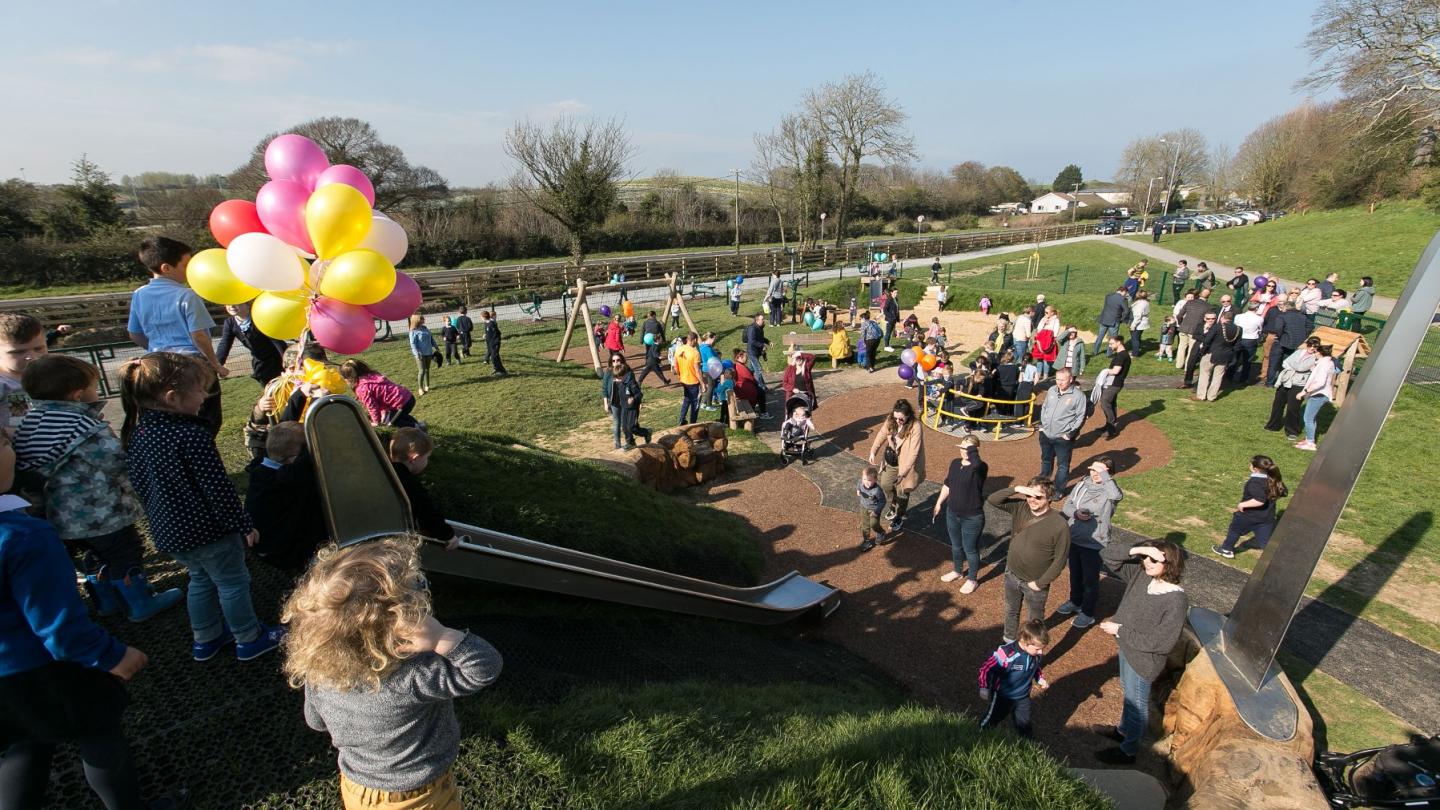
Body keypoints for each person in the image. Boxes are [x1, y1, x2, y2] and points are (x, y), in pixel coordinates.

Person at [283, 535, 502, 810]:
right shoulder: (413, 675)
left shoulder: (319, 672)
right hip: (422, 796)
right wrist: (441, 638)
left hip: (358, 789)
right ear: (398, 623)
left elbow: (315, 721)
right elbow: (485, 667)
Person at [0, 506, 177, 810]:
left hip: (6, 679)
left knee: (24, 745)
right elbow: (59, 626)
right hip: (47, 669)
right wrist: (111, 655)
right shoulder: (23, 535)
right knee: (100, 736)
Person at [121, 352, 285, 662]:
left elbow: (141, 484)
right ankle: (249, 637)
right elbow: (218, 489)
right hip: (209, 532)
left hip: (170, 533)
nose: (206, 396)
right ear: (172, 397)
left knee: (200, 579)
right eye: (199, 390)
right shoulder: (191, 435)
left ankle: (206, 637)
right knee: (232, 582)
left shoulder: (139, 432)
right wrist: (242, 523)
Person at [14, 355, 182, 622]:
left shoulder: (28, 424)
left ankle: (106, 602)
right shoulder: (83, 425)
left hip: (60, 515)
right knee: (124, 555)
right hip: (103, 513)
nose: (97, 391)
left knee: (93, 556)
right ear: (78, 395)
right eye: (94, 386)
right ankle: (140, 603)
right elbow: (114, 462)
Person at [1095, 540, 1188, 765]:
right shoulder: (1143, 575)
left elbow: (1161, 643)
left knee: (1136, 704)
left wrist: (1120, 630)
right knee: (1128, 692)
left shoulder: (1176, 600)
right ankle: (1123, 730)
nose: (1147, 562)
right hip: (1127, 649)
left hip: (1144, 660)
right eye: (1145, 558)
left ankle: (1128, 751)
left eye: (1154, 559)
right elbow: (1107, 555)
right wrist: (1138, 550)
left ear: (1170, 563)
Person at [127, 236, 227, 435]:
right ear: (166, 268)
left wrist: (157, 349)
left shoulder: (139, 294)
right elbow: (199, 336)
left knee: (171, 421)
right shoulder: (187, 295)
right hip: (192, 364)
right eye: (186, 265)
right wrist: (215, 364)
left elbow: (134, 333)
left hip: (157, 364)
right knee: (206, 420)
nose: (190, 270)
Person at [986, 479, 1070, 643]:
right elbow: (992, 499)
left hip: (1035, 583)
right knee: (1011, 610)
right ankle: (1009, 641)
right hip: (1011, 574)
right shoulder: (1020, 507)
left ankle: (1032, 650)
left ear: (1049, 498)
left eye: (1038, 497)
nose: (1032, 500)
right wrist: (1017, 488)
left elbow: (1060, 560)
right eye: (1029, 495)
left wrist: (1040, 583)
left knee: (1035, 621)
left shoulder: (1059, 525)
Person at [245, 422, 327, 572]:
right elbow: (311, 453)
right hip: (281, 551)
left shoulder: (262, 466)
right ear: (293, 458)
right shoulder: (288, 478)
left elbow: (283, 434)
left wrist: (299, 397)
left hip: (264, 544)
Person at [1057, 459, 1122, 629]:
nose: (1095, 473)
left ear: (1109, 472)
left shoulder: (1110, 489)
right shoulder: (1082, 485)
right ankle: (1075, 601)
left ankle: (1087, 613)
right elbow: (1066, 506)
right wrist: (1076, 513)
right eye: (1093, 469)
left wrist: (1105, 476)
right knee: (1075, 574)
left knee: (1090, 580)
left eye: (1100, 470)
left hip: (1095, 542)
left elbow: (1116, 496)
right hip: (1075, 537)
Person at [932, 435, 987, 593]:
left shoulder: (980, 467)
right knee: (956, 546)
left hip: (972, 517)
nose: (963, 451)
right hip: (952, 513)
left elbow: (976, 463)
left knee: (970, 549)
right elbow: (948, 484)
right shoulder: (955, 463)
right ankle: (957, 571)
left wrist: (972, 451)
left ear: (975, 450)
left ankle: (972, 579)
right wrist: (939, 503)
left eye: (967, 448)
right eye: (962, 447)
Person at [977, 619, 1050, 739]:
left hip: (1023, 697)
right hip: (1003, 696)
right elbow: (986, 668)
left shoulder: (1035, 655)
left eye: (1042, 649)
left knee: (1024, 724)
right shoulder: (1006, 654)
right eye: (1037, 649)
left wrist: (1040, 679)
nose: (1041, 652)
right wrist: (984, 687)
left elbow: (1035, 668)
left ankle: (1026, 745)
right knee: (993, 718)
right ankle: (978, 735)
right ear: (1025, 642)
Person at [389, 428, 460, 547]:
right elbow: (426, 512)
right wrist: (448, 535)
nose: (427, 461)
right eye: (427, 457)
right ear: (415, 458)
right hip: (397, 539)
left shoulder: (384, 472)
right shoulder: (410, 483)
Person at [866, 399, 925, 539]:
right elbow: (881, 433)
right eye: (895, 417)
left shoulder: (915, 426)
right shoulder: (891, 419)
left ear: (908, 415)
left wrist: (903, 473)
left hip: (906, 464)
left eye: (901, 418)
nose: (898, 420)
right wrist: (873, 451)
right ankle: (893, 504)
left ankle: (899, 515)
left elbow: (914, 452)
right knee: (886, 484)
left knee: (903, 491)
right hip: (891, 460)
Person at [1212, 455, 1288, 559]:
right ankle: (1277, 558)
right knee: (1265, 541)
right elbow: (1284, 493)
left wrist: (1242, 504)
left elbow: (1259, 500)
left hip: (1247, 516)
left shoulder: (1255, 483)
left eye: (1251, 464)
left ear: (1255, 469)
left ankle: (1226, 549)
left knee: (1234, 530)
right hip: (1267, 518)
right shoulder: (1273, 479)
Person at [216, 302, 287, 387]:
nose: (231, 306)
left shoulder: (259, 318)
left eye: (236, 303)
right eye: (228, 303)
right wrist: (217, 365)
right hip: (260, 363)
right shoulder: (230, 323)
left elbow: (276, 341)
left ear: (247, 304)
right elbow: (224, 344)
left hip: (277, 360)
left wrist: (287, 362)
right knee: (269, 391)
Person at [1037, 368, 1086, 492]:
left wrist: (1070, 434)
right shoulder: (1052, 390)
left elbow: (1080, 417)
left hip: (1063, 437)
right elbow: (1044, 407)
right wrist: (1042, 425)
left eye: (1062, 380)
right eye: (1057, 379)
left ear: (1070, 379)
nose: (1059, 382)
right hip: (1046, 434)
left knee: (1063, 466)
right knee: (1046, 460)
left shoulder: (1078, 396)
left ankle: (1058, 491)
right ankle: (1043, 486)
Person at [0, 313, 49, 436]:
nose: (31, 357)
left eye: (39, 349)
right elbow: (20, 423)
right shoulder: (5, 385)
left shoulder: (52, 374)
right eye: (18, 352)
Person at [1265, 337, 1321, 441]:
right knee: (1277, 404)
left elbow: (1301, 367)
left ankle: (1292, 431)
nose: (1312, 348)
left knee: (1292, 408)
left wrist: (1293, 365)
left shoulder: (1316, 358)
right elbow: (1285, 362)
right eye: (1310, 345)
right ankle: (1273, 425)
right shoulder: (1299, 351)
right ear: (1307, 344)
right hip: (1286, 381)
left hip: (1299, 384)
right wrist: (1294, 365)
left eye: (1315, 347)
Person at [339, 359, 419, 429]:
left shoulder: (361, 389)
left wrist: (376, 422)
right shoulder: (372, 376)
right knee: (399, 416)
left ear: (349, 378)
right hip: (408, 397)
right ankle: (418, 425)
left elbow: (372, 407)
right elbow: (381, 394)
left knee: (391, 421)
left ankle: (416, 428)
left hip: (401, 403)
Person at [601, 356, 650, 450]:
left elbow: (639, 394)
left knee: (632, 427)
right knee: (624, 426)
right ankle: (630, 443)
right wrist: (606, 402)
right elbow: (605, 388)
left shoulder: (630, 382)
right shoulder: (615, 378)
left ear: (623, 376)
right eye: (615, 378)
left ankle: (646, 432)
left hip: (632, 408)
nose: (616, 380)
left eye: (618, 378)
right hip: (623, 406)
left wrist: (634, 399)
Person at [1296, 343, 1335, 451]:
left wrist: (1304, 392)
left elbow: (1320, 382)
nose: (1315, 353)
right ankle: (1309, 439)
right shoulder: (1327, 363)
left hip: (1319, 394)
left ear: (1320, 353)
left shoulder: (1324, 365)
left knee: (1308, 418)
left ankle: (1311, 443)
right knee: (1311, 418)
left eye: (1316, 352)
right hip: (1320, 394)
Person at [1194, 312, 1239, 402]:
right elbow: (1238, 345)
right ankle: (1212, 396)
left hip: (1211, 353)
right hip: (1226, 355)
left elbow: (1207, 341)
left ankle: (1201, 395)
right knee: (1218, 376)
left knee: (1205, 374)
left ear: (1222, 317)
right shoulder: (1238, 329)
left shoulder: (1217, 327)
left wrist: (1202, 351)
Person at [1265, 301, 1310, 387]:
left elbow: (1278, 328)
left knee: (1273, 363)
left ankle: (1269, 383)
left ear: (1286, 307)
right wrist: (1304, 335)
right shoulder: (1303, 317)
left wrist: (1279, 336)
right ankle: (1283, 381)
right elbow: (1310, 326)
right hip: (1295, 343)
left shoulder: (1282, 316)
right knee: (1287, 364)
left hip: (1281, 342)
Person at [742, 313, 770, 414]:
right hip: (752, 352)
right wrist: (762, 345)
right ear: (757, 320)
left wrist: (767, 341)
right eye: (762, 319)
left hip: (757, 352)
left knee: (751, 369)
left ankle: (748, 381)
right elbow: (752, 341)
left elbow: (761, 338)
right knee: (758, 369)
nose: (763, 321)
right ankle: (761, 387)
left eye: (763, 319)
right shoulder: (752, 329)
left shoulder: (760, 327)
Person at [1231, 303, 1265, 384]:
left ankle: (1229, 375)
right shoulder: (1259, 319)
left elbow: (1235, 326)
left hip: (1239, 338)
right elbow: (1260, 329)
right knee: (1247, 360)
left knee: (1234, 358)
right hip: (1250, 340)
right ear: (1256, 309)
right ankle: (1243, 378)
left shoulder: (1238, 316)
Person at [676, 333, 702, 425]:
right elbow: (697, 370)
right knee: (695, 403)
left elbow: (676, 366)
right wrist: (702, 384)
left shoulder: (679, 350)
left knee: (687, 400)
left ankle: (681, 419)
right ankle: (693, 423)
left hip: (683, 380)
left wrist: (679, 376)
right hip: (693, 381)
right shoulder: (695, 353)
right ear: (694, 340)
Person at [1096, 285, 1130, 355]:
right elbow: (1126, 311)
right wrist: (1122, 319)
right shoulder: (1122, 299)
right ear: (1123, 291)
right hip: (1114, 321)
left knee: (1100, 336)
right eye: (1126, 293)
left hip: (1104, 319)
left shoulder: (1108, 296)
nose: (1126, 295)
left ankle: (1094, 351)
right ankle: (1109, 354)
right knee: (1113, 339)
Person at [408, 314, 436, 395]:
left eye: (423, 318)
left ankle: (427, 385)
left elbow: (431, 338)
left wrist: (436, 346)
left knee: (427, 369)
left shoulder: (425, 328)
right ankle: (420, 388)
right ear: (416, 320)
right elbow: (413, 344)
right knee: (422, 371)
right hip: (420, 354)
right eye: (421, 319)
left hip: (428, 352)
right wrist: (417, 354)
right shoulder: (413, 331)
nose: (423, 319)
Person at [636, 319, 670, 386]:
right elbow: (654, 353)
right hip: (653, 361)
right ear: (657, 339)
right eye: (660, 339)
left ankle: (639, 381)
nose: (661, 340)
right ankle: (665, 382)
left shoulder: (654, 344)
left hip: (650, 360)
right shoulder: (655, 346)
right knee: (657, 372)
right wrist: (659, 356)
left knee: (647, 371)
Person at [482, 311, 508, 376]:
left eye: (481, 317)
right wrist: (485, 335)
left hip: (495, 343)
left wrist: (496, 341)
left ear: (483, 317)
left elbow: (496, 333)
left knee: (494, 357)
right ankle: (498, 369)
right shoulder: (486, 323)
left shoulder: (491, 324)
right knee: (494, 357)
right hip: (490, 343)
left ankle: (501, 371)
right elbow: (488, 332)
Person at [1128, 291, 1151, 356]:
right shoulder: (1146, 302)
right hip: (1142, 323)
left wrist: (1133, 325)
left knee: (1135, 339)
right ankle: (1135, 351)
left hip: (1138, 324)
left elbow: (1138, 316)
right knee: (1137, 338)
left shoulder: (1140, 304)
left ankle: (1135, 354)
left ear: (1139, 296)